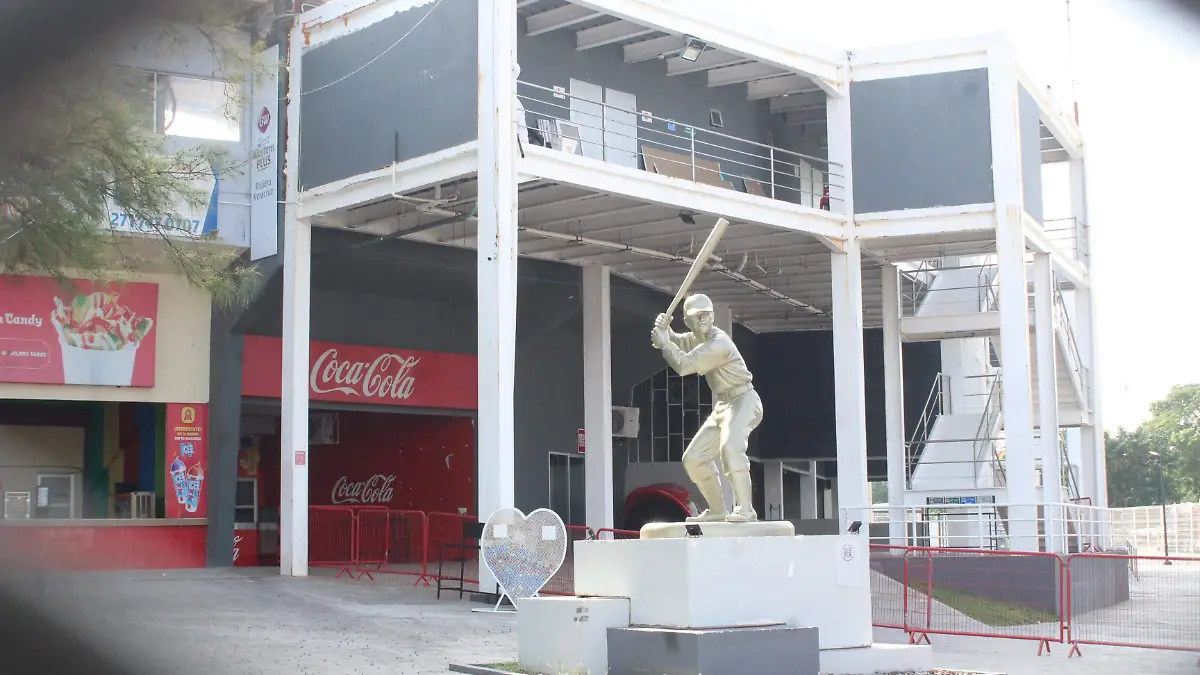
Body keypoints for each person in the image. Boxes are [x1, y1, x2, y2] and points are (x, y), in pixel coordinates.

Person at [650, 294, 763, 523]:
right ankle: (718, 511)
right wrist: (665, 329)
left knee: (731, 449)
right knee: (693, 459)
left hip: (744, 399)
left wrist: (664, 343)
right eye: (697, 315)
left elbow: (684, 365)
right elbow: (679, 342)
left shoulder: (718, 342)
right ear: (688, 320)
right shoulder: (698, 337)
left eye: (707, 314)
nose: (703, 319)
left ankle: (746, 509)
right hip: (724, 404)